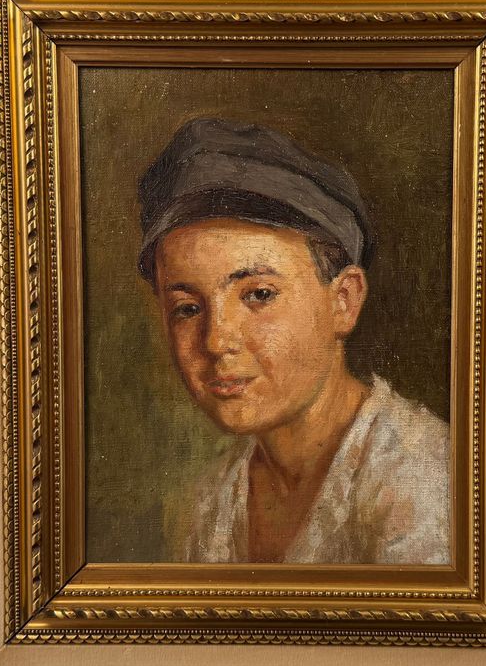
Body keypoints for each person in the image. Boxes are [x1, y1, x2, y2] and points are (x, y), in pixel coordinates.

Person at [137, 116, 451, 564]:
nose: (216, 341)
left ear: (343, 301)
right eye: (187, 308)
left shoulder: (424, 482)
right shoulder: (210, 506)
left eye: (259, 295)